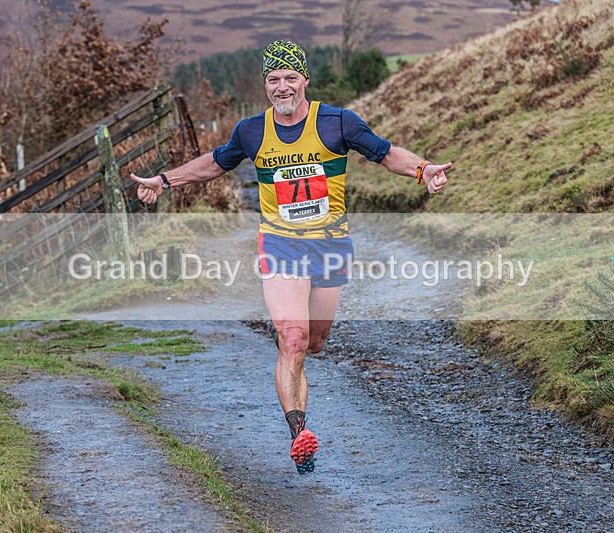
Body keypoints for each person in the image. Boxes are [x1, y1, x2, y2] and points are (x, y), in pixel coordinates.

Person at [130, 39, 451, 475]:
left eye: (289, 78)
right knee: (294, 338)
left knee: (315, 342)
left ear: (304, 80)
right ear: (266, 84)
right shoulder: (251, 131)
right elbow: (215, 163)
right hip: (281, 245)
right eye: (273, 79)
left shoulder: (337, 122)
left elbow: (385, 152)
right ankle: (300, 435)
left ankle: (295, 376)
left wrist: (423, 168)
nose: (282, 87)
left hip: (331, 245)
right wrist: (165, 180)